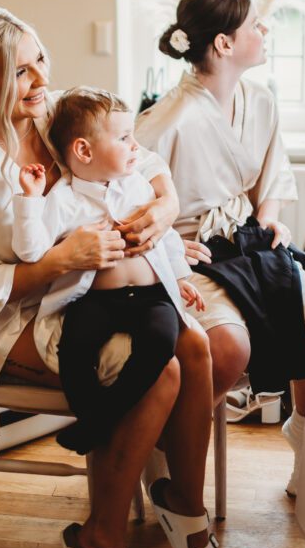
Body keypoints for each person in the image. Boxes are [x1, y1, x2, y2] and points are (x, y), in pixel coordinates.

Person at [0, 6, 219, 548]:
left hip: (92, 289)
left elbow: (145, 160)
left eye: (40, 59)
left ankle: (182, 501)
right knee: (157, 373)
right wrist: (60, 261)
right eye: (20, 71)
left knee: (197, 346)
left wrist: (163, 210)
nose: (40, 78)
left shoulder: (54, 120)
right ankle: (100, 535)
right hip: (12, 316)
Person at [135, 0, 305, 496]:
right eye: (256, 25)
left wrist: (271, 217)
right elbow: (130, 204)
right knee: (227, 347)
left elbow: (271, 178)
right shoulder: (164, 122)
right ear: (223, 43)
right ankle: (166, 445)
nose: (265, 32)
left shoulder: (260, 101)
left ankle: (304, 441)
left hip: (248, 242)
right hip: (193, 255)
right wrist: (171, 248)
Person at [11, 86, 205, 456]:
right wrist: (29, 201)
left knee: (161, 343)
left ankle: (105, 417)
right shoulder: (63, 200)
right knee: (74, 349)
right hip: (95, 299)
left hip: (150, 297)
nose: (135, 146)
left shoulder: (137, 188)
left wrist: (180, 278)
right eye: (124, 138)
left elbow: (165, 237)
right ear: (84, 150)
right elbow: (31, 249)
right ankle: (91, 417)